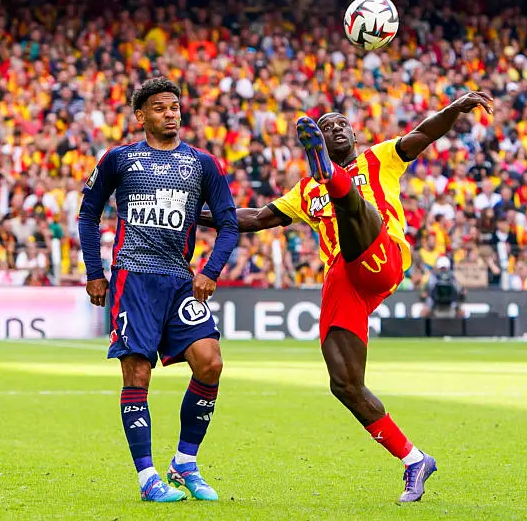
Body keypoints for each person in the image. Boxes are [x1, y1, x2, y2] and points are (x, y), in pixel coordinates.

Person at [199, 91, 493, 502]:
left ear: (354, 136)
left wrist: (453, 108)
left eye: (342, 124)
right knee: (344, 383)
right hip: (344, 278)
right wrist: (192, 213)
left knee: (354, 207)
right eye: (327, 127)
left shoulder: (380, 158)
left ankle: (335, 180)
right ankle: (414, 460)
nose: (336, 128)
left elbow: (424, 133)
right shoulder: (304, 191)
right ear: (319, 140)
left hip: (383, 257)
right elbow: (255, 218)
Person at [78, 77, 239, 503]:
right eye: (160, 108)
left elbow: (228, 223)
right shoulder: (119, 159)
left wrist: (211, 270)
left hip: (181, 280)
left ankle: (184, 462)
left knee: (210, 362)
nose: (170, 114)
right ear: (141, 116)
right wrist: (94, 272)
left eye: (175, 107)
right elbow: (88, 215)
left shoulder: (202, 163)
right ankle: (148, 477)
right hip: (133, 278)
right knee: (138, 374)